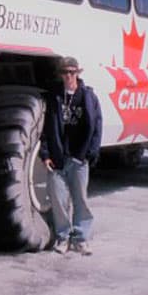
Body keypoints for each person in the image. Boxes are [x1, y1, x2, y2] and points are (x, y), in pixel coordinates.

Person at [40, 56, 102, 255]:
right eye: (65, 72)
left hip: (79, 158)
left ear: (78, 73)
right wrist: (45, 154)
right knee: (58, 200)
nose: (68, 76)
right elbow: (46, 129)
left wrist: (90, 154)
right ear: (60, 75)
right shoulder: (54, 97)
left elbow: (97, 127)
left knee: (80, 199)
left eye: (72, 72)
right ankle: (63, 238)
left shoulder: (88, 97)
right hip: (58, 158)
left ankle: (81, 238)